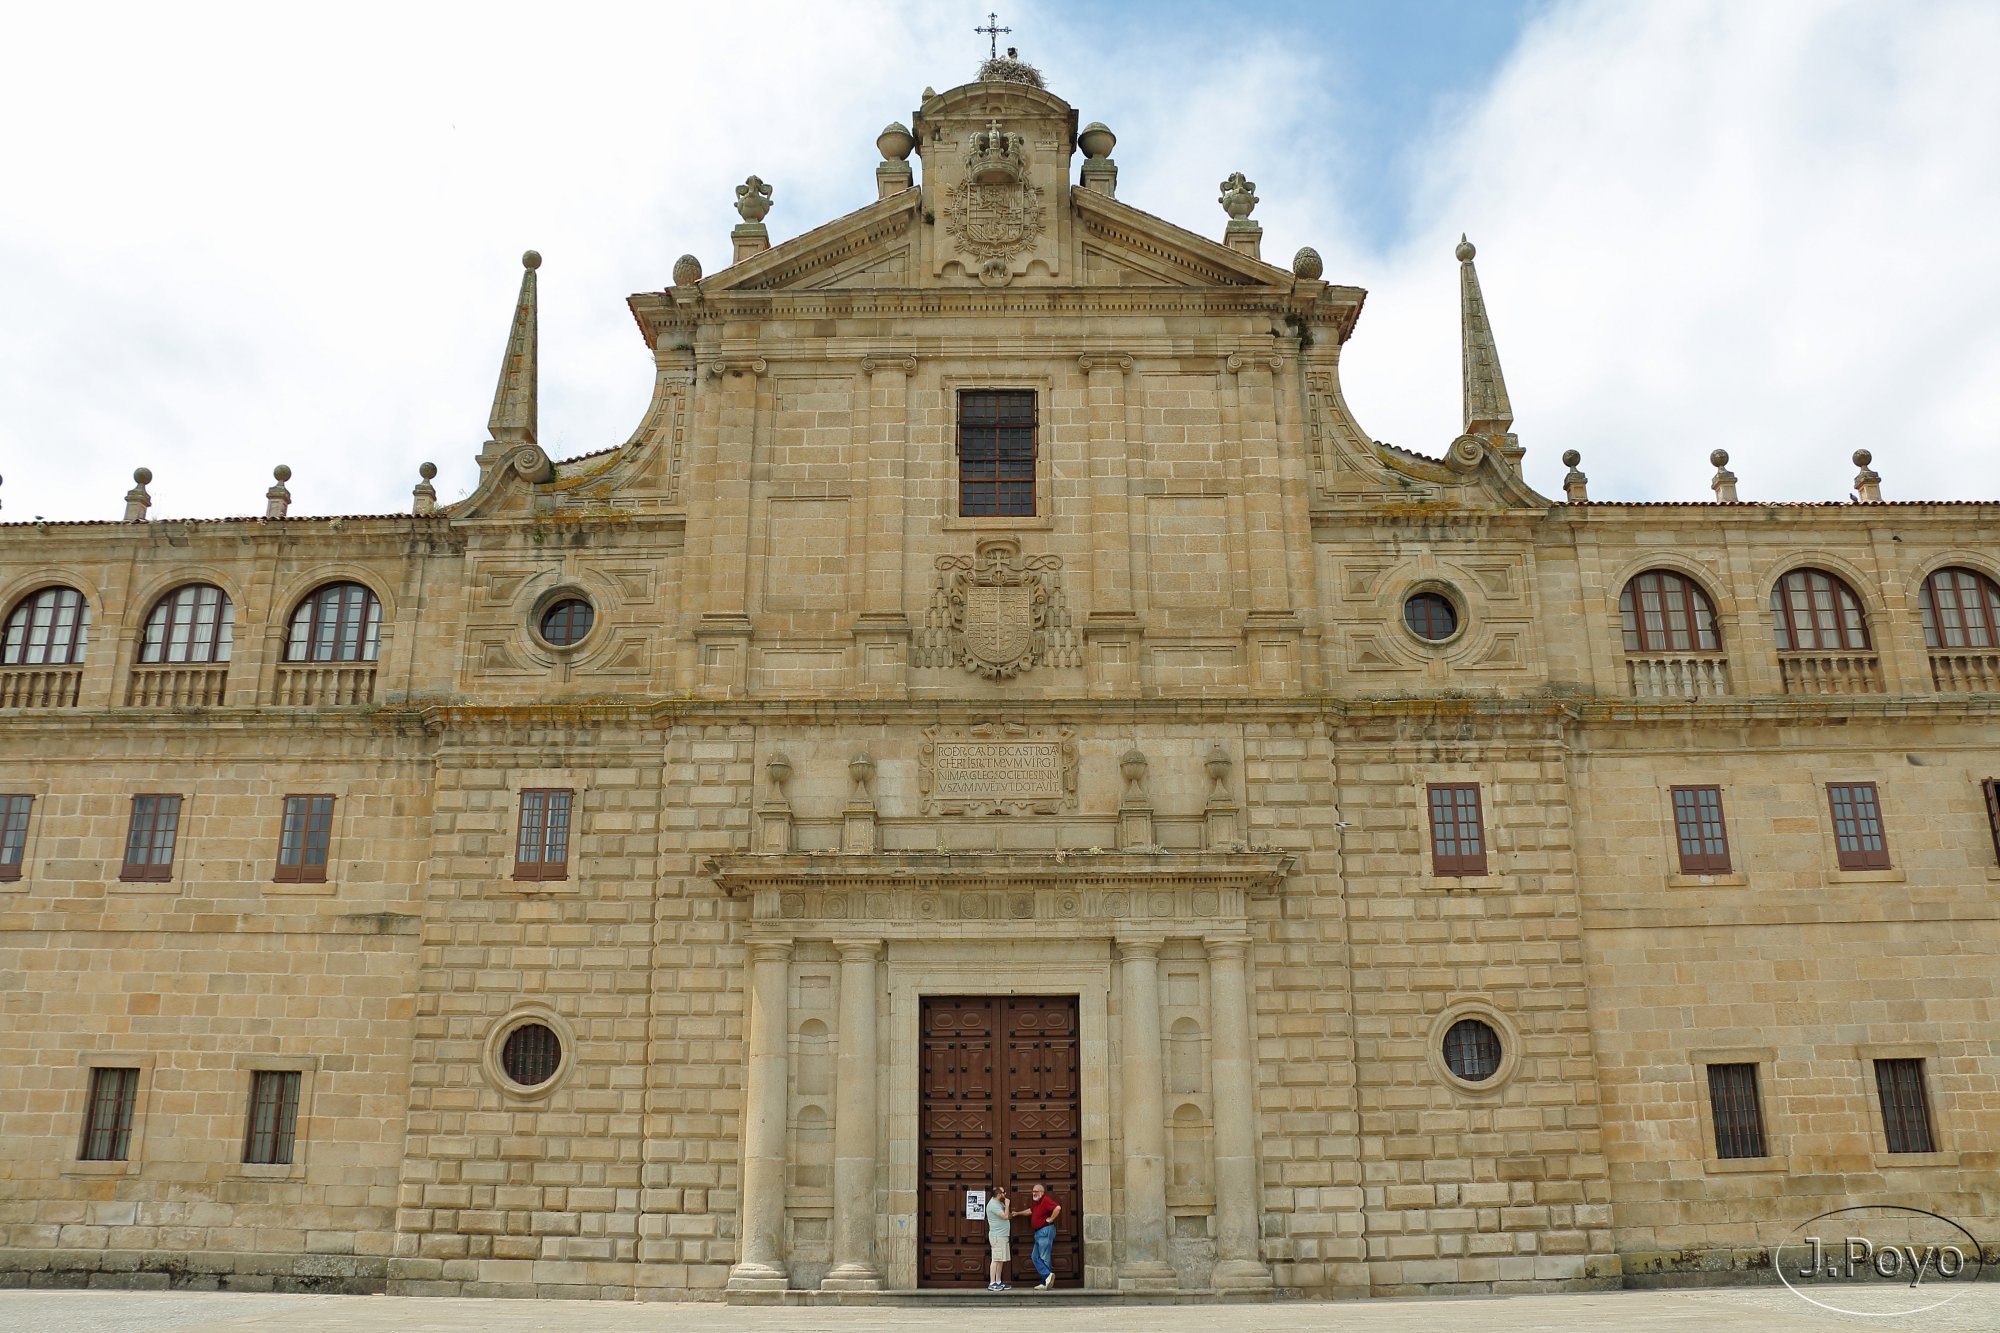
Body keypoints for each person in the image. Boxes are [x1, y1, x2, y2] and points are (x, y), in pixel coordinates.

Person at [1026, 1181, 1062, 1289]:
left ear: (1042, 1192)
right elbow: (1030, 1211)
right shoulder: (1037, 1203)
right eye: (1033, 1191)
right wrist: (1017, 1214)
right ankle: (1045, 1279)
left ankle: (1045, 1279)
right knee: (1035, 1257)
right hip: (1039, 1233)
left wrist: (1051, 1219)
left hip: (1045, 1231)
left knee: (1043, 1257)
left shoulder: (1045, 1200)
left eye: (1036, 1191)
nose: (1034, 1193)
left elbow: (1058, 1208)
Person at [985, 1182, 1013, 1290]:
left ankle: (998, 1281)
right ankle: (992, 1283)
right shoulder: (993, 1205)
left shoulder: (998, 1203)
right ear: (998, 1194)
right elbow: (1005, 1216)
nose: (1005, 1194)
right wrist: (1007, 1205)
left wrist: (1008, 1210)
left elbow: (1008, 1215)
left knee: (1001, 1259)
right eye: (1003, 1192)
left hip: (1003, 1235)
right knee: (996, 1259)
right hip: (997, 1236)